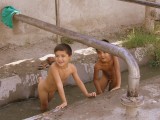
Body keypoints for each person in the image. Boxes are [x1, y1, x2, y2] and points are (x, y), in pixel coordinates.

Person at [38, 43, 96, 111]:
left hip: (52, 90)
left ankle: (40, 79)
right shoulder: (54, 67)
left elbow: (79, 81)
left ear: (69, 57)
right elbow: (59, 84)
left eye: (63, 56)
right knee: (44, 105)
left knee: (48, 101)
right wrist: (64, 101)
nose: (59, 59)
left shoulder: (72, 68)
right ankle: (40, 81)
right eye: (57, 56)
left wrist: (87, 94)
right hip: (44, 88)